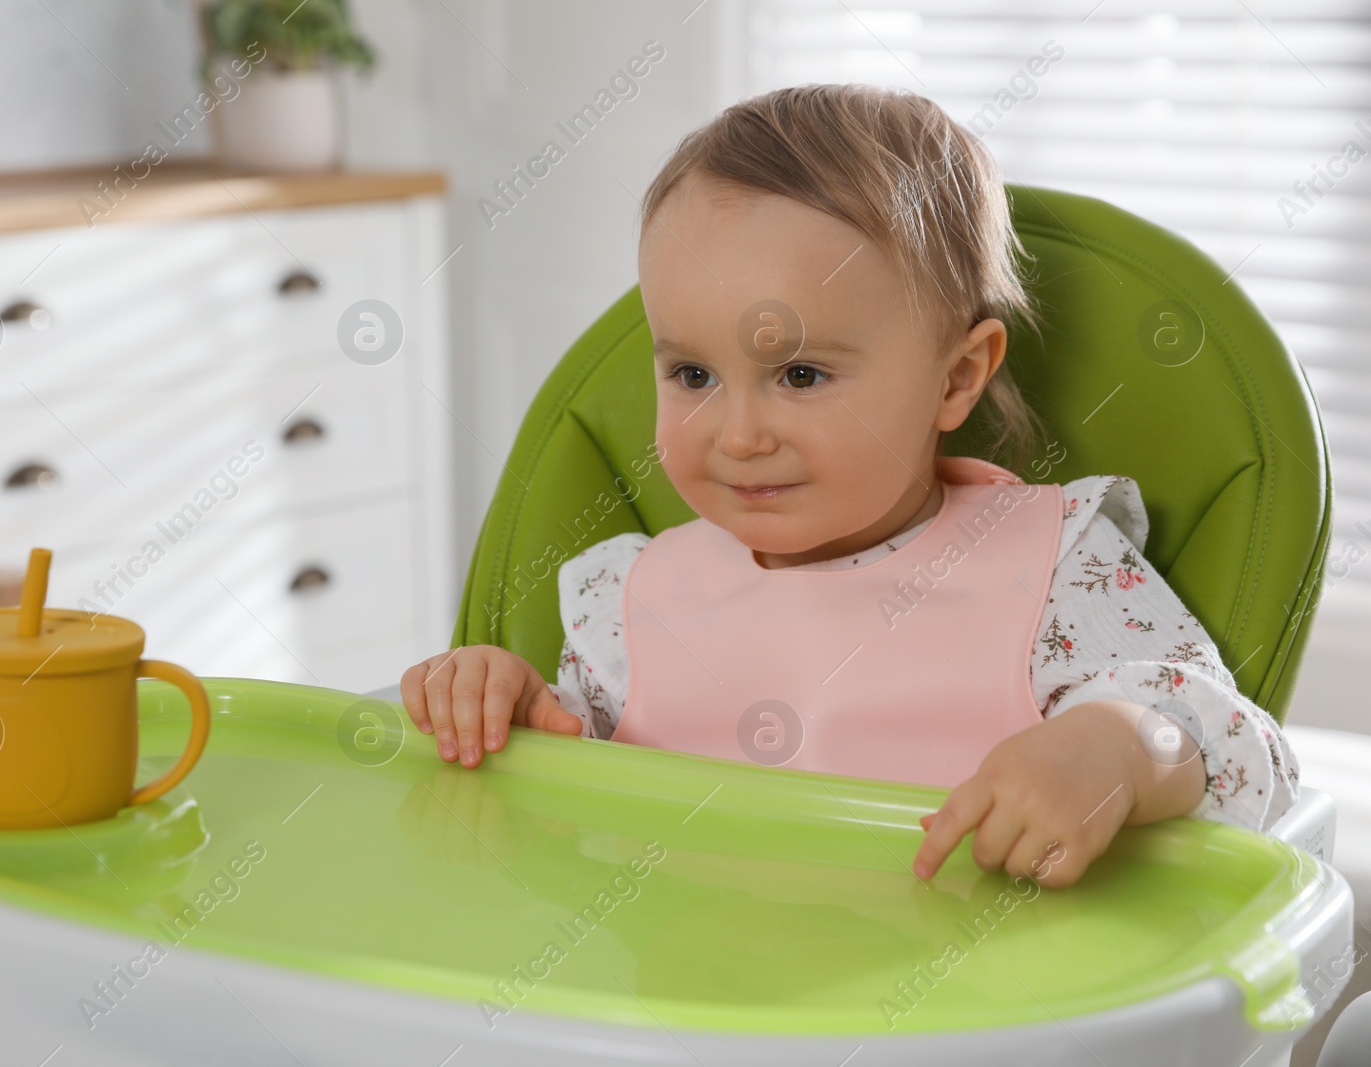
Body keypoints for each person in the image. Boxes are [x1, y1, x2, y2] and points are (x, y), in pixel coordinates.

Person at [400, 83, 1298, 889]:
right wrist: (506, 709)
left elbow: (1239, 751)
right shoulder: (623, 600)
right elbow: (557, 833)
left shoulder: (1054, 565)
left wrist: (1119, 748)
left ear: (956, 379)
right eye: (692, 375)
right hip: (685, 1010)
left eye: (800, 376)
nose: (738, 434)